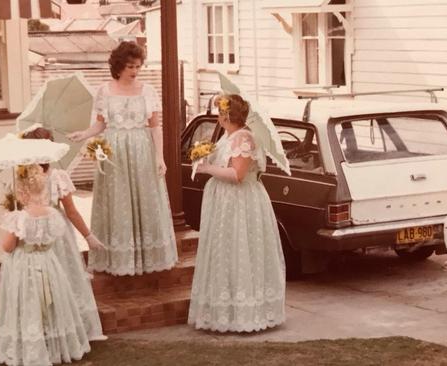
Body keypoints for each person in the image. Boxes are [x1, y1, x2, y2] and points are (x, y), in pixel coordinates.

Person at [68, 41, 177, 276]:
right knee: (118, 203)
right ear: (118, 66)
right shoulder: (104, 91)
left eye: (138, 66)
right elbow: (100, 124)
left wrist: (160, 157)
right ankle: (119, 258)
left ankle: (147, 257)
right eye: (130, 66)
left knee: (145, 201)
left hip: (141, 152)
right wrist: (84, 134)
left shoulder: (148, 91)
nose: (135, 71)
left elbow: (155, 127)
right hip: (115, 154)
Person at [188, 94, 286, 332]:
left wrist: (206, 168)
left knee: (241, 250)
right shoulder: (227, 136)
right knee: (225, 252)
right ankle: (225, 311)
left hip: (240, 202)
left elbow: (237, 175)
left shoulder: (244, 138)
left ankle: (245, 312)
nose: (217, 117)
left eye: (219, 112)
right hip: (224, 202)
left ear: (225, 115)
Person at [0, 164, 91, 365]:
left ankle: (32, 346)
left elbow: (7, 246)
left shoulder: (18, 218)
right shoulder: (53, 214)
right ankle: (55, 343)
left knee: (29, 301)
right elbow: (54, 237)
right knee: (51, 303)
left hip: (25, 266)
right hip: (48, 263)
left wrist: (14, 224)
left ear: (21, 192)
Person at [21, 127, 108, 342]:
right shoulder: (56, 176)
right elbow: (71, 212)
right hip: (53, 234)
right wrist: (88, 236)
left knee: (48, 279)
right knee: (64, 276)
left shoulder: (23, 177)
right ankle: (69, 328)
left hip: (38, 233)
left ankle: (51, 328)